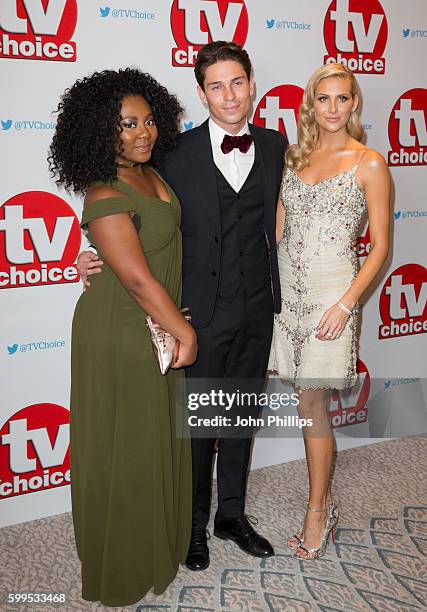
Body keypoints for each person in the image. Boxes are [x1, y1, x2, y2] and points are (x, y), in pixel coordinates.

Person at [77, 42, 287, 571]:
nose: (229, 95)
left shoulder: (276, 145)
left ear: (252, 83)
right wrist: (88, 254)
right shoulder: (172, 153)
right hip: (194, 312)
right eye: (216, 86)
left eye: (237, 82)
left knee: (239, 416)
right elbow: (133, 214)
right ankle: (192, 525)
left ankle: (232, 517)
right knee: (194, 429)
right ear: (201, 93)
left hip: (258, 306)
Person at [49, 68, 197, 606]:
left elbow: (149, 259)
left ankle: (158, 543)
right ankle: (124, 563)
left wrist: (171, 317)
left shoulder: (150, 172)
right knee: (127, 447)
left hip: (153, 324)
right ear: (98, 131)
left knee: (152, 439)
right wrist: (184, 330)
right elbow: (134, 278)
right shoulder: (104, 188)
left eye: (148, 120)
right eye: (127, 124)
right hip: (120, 331)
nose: (143, 132)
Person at [269, 63, 390, 559]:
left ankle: (318, 509)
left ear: (354, 102)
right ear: (311, 104)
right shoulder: (293, 158)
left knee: (310, 403)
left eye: (343, 98)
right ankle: (323, 502)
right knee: (304, 401)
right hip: (288, 298)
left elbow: (380, 247)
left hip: (332, 297)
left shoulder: (370, 162)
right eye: (324, 99)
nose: (334, 108)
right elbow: (276, 231)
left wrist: (346, 304)